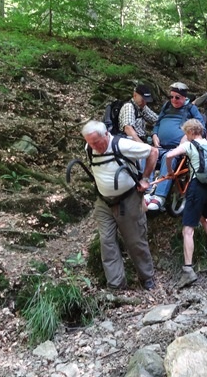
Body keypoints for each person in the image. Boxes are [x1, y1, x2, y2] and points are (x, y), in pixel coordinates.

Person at [80, 120, 158, 290]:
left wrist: (145, 178)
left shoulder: (122, 145)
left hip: (128, 199)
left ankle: (147, 277)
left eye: (96, 142)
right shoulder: (89, 148)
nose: (93, 146)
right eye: (90, 143)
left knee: (135, 240)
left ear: (106, 135)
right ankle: (116, 284)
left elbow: (153, 151)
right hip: (103, 201)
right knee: (106, 241)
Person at [165, 119, 207, 288]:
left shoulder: (190, 146)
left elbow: (169, 155)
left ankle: (188, 270)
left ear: (190, 132)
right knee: (205, 218)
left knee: (188, 229)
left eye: (186, 133)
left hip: (197, 187)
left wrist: (171, 172)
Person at [147, 82, 205, 211]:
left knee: (170, 158)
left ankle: (159, 196)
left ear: (184, 98)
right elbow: (157, 123)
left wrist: (188, 138)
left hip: (177, 149)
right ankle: (147, 190)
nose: (173, 100)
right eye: (171, 97)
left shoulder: (191, 109)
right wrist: (155, 134)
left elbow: (201, 128)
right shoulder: (167, 106)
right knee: (145, 155)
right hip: (159, 146)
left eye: (177, 97)